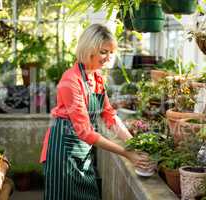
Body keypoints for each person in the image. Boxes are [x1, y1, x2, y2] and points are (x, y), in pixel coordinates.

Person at [40, 24, 151, 200]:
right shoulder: (71, 80)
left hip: (82, 151)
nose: (108, 58)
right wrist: (127, 153)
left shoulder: (97, 77)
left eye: (111, 52)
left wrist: (134, 144)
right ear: (89, 49)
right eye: (103, 52)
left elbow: (109, 116)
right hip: (62, 154)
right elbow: (85, 132)